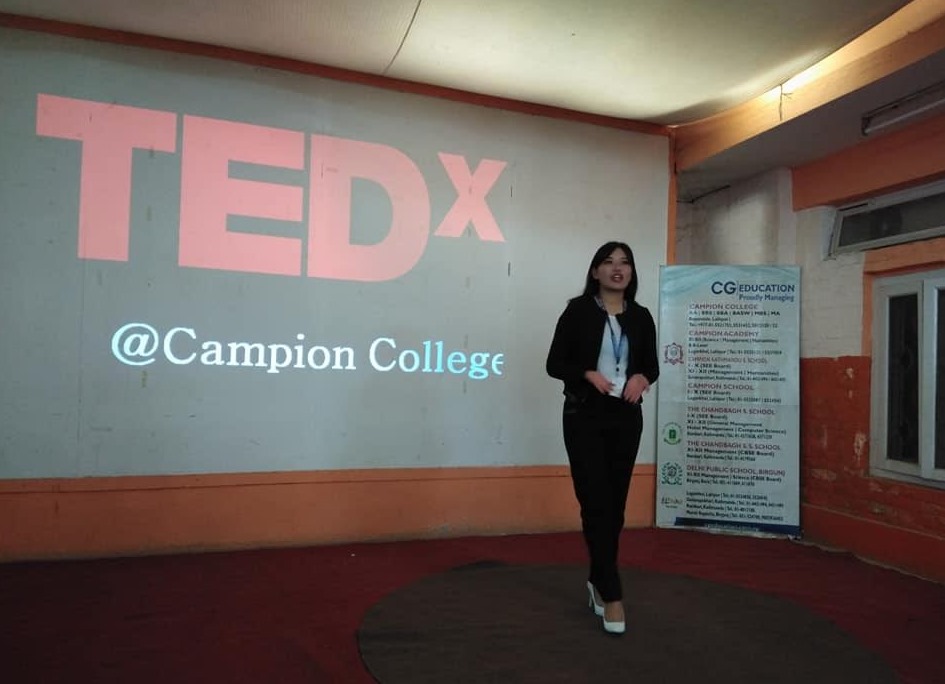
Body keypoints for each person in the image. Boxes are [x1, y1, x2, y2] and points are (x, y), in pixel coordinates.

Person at [545, 241, 659, 635]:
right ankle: (612, 594)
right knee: (595, 503)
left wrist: (643, 377)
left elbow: (651, 364)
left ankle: (597, 579)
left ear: (632, 272)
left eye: (624, 262)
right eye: (608, 262)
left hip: (626, 417)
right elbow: (554, 363)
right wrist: (586, 373)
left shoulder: (641, 316)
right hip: (584, 415)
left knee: (614, 507)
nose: (617, 268)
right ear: (595, 272)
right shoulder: (577, 311)